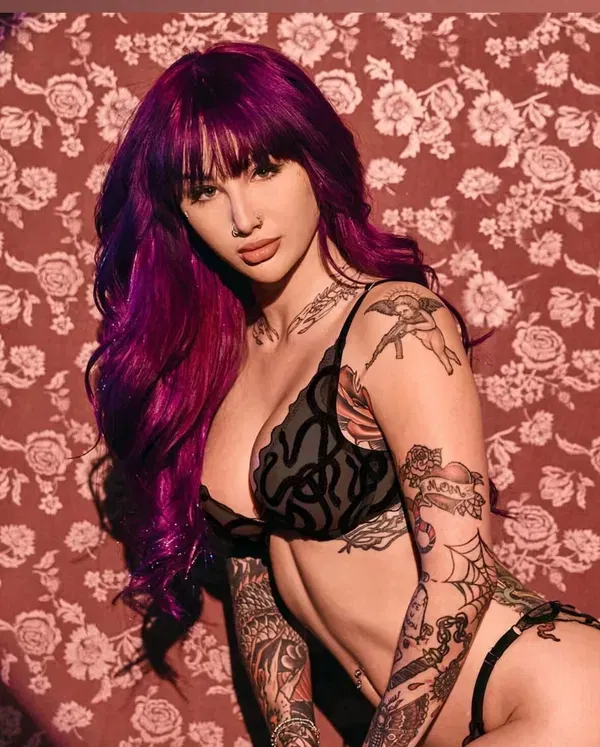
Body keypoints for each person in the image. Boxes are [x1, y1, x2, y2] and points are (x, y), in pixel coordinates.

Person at [84, 40, 600, 747]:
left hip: (547, 699)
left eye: (263, 169)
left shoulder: (393, 323)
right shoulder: (222, 364)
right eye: (205, 192)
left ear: (313, 160)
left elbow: (458, 575)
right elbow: (259, 601)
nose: (243, 217)